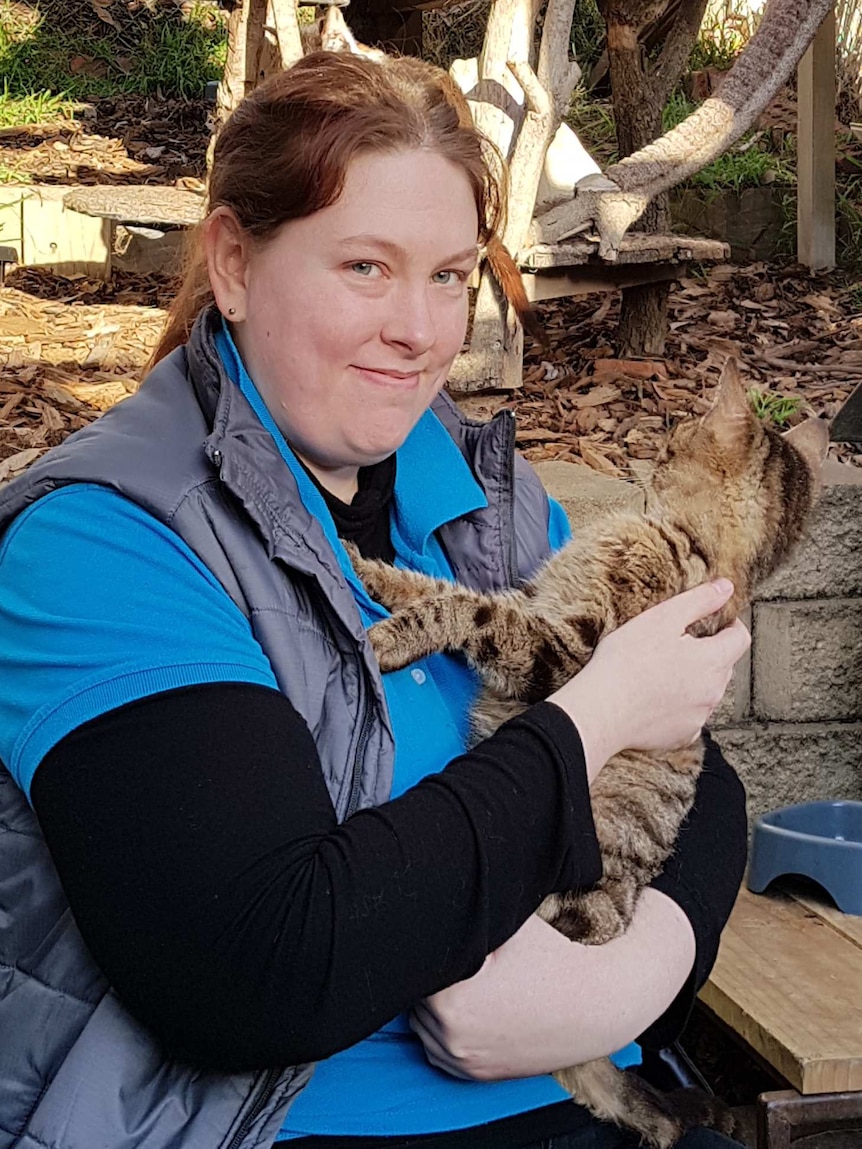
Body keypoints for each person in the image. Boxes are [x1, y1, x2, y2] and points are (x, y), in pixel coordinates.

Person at [0, 50, 751, 1149]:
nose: (420, 329)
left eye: (449, 275)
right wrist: (590, 719)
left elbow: (697, 776)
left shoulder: (479, 498)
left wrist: (629, 984)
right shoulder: (104, 538)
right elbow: (259, 971)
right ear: (233, 262)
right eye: (365, 266)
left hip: (589, 1096)